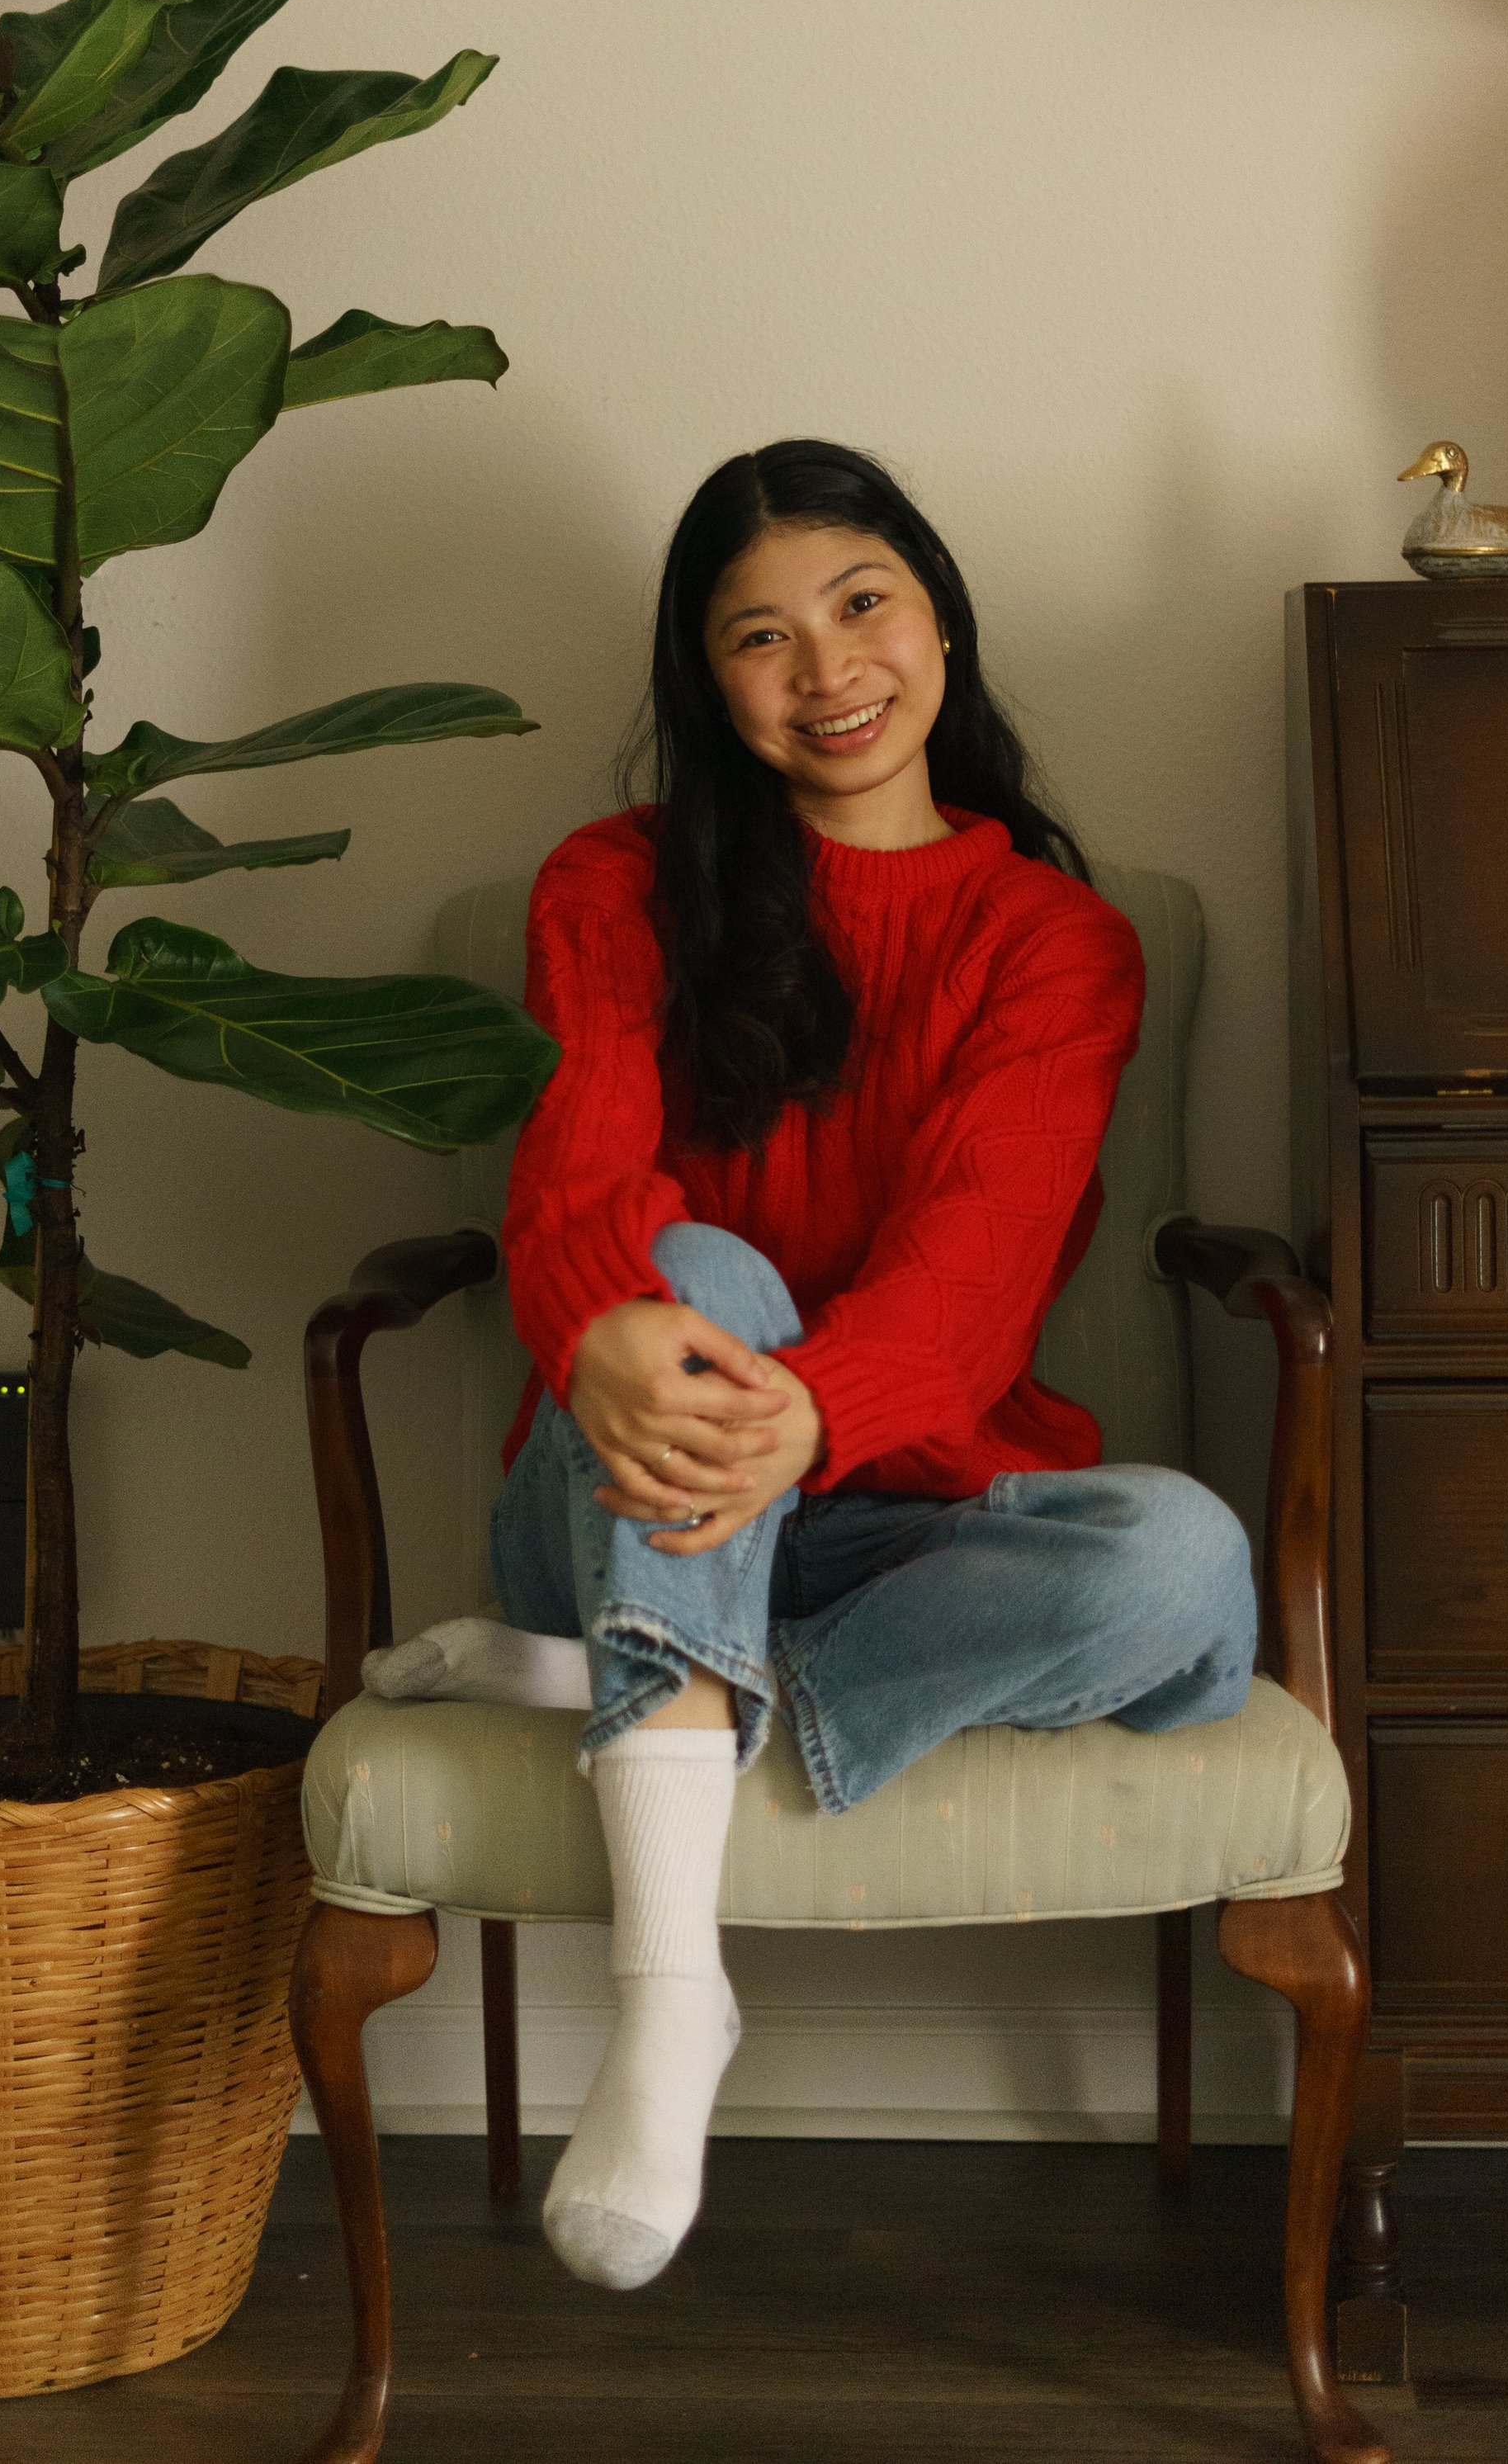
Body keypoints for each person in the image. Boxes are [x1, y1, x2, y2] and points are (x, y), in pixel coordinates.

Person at [371, 440, 1257, 2293]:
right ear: (709, 684)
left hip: (866, 1512)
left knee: (1183, 1560)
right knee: (696, 1260)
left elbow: (977, 1274)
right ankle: (672, 1992)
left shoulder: (1054, 941)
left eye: (859, 604)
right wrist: (609, 1316)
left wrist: (818, 1420)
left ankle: (622, 1687)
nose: (826, 668)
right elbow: (574, 1170)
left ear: (936, 612)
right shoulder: (612, 884)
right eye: (756, 637)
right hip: (620, 1480)